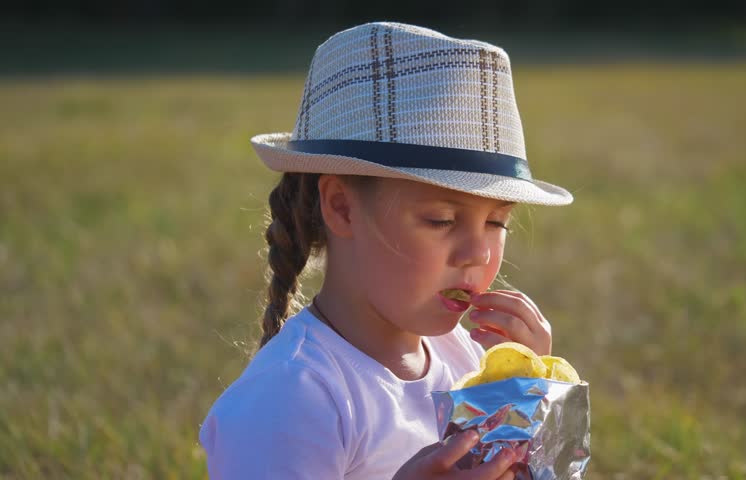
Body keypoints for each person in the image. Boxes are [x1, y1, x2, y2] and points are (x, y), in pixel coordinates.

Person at [199, 21, 574, 479]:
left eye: (497, 221)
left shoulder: (469, 359)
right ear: (342, 208)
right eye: (442, 220)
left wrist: (533, 393)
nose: (478, 253)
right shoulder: (292, 398)